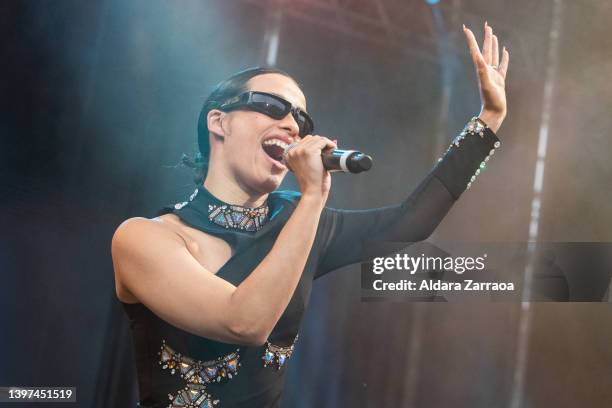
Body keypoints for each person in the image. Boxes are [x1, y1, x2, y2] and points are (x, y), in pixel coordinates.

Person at [112, 23, 509, 408]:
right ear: (219, 122)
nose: (291, 125)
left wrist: (489, 119)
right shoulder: (145, 239)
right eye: (271, 107)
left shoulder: (297, 220)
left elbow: (410, 223)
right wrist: (313, 196)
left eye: (301, 120)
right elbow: (244, 323)